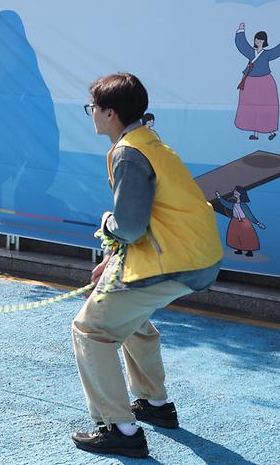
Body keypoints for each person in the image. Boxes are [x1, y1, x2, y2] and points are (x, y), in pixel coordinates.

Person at [72, 73, 223, 458]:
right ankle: (154, 404)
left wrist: (107, 225)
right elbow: (149, 218)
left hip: (169, 260)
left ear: (110, 114)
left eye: (94, 108)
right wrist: (111, 259)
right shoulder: (151, 142)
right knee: (132, 318)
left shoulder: (128, 152)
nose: (91, 114)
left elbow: (131, 224)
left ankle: (119, 427)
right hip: (197, 257)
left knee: (91, 330)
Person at [234, 23, 279, 141]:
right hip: (250, 82)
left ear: (264, 41)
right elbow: (242, 46)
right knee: (252, 106)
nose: (257, 41)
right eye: (256, 39)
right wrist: (241, 30)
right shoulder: (250, 52)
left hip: (265, 81)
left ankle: (271, 131)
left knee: (267, 105)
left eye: (260, 39)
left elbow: (277, 50)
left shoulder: (267, 54)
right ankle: (255, 134)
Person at [215, 186, 266, 257]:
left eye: (236, 191)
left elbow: (249, 215)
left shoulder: (243, 205)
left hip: (244, 222)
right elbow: (226, 204)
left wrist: (258, 223)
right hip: (235, 221)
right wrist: (219, 197)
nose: (234, 192)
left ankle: (249, 251)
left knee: (247, 236)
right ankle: (239, 249)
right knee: (236, 236)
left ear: (240, 193)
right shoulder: (234, 204)